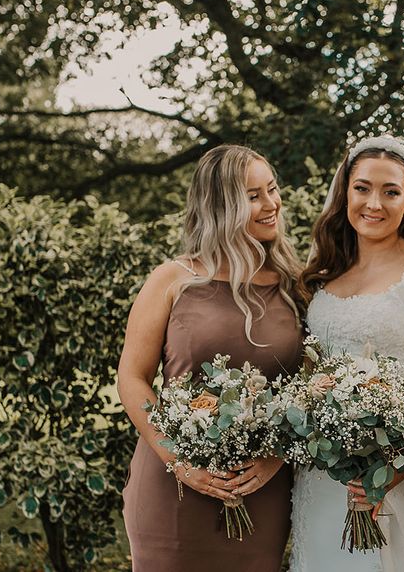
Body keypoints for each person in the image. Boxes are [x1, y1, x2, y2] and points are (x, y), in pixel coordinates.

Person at [118, 144, 304, 572]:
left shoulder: (296, 286)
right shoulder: (172, 279)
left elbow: (309, 386)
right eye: (252, 196)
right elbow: (132, 377)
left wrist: (275, 457)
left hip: (260, 488)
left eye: (272, 190)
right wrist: (179, 462)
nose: (270, 204)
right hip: (172, 487)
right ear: (220, 206)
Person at [289, 135, 404, 572]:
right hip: (322, 472)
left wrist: (388, 470)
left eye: (391, 192)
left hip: (394, 475)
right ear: (345, 192)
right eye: (362, 188)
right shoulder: (326, 274)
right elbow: (312, 374)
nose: (374, 203)